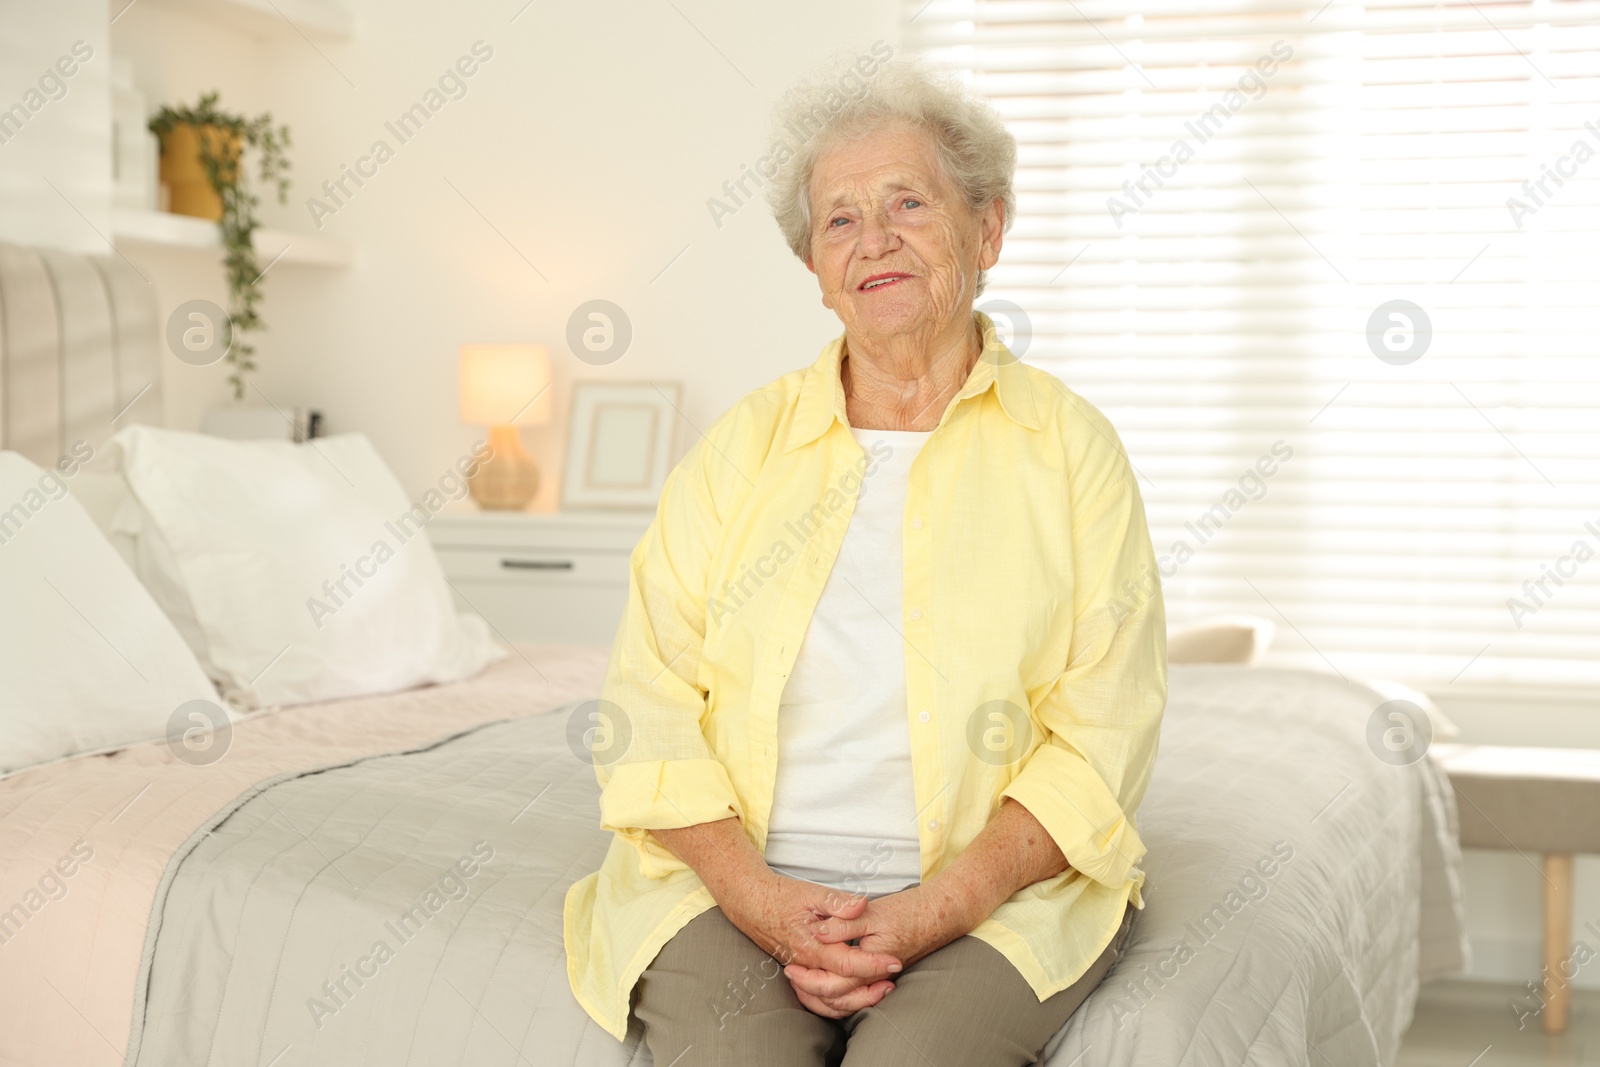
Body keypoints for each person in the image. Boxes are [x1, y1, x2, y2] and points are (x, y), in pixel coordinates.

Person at [564, 51, 1167, 1067]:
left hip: (985, 895)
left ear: (987, 228)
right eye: (839, 218)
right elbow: (647, 704)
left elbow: (1103, 730)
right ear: (813, 266)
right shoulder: (739, 449)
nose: (873, 239)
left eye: (908, 204)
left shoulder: (1069, 448)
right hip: (737, 886)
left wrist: (937, 907)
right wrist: (762, 902)